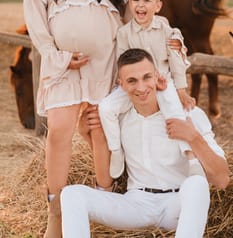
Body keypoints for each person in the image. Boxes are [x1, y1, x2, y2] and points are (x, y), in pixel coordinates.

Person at [16, 0, 136, 238]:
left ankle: (105, 208)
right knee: (59, 132)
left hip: (103, 63)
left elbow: (128, 11)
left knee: (99, 130)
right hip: (64, 65)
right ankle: (56, 215)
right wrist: (59, 57)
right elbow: (37, 21)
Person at [61, 48, 229, 238]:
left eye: (147, 77)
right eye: (132, 81)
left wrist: (193, 137)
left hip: (176, 204)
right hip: (136, 203)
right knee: (71, 194)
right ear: (121, 85)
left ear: (157, 77)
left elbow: (222, 180)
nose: (141, 88)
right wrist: (87, 135)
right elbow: (106, 181)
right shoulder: (120, 119)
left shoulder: (188, 114)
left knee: (197, 183)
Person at [99, 0, 202, 179]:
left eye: (147, 1)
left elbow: (176, 61)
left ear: (158, 6)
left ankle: (191, 157)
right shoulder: (124, 33)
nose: (140, 5)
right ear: (130, 3)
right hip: (135, 82)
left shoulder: (168, 31)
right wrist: (125, 84)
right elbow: (122, 62)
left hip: (162, 81)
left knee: (176, 109)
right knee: (106, 108)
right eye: (136, 0)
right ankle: (117, 151)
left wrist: (181, 90)